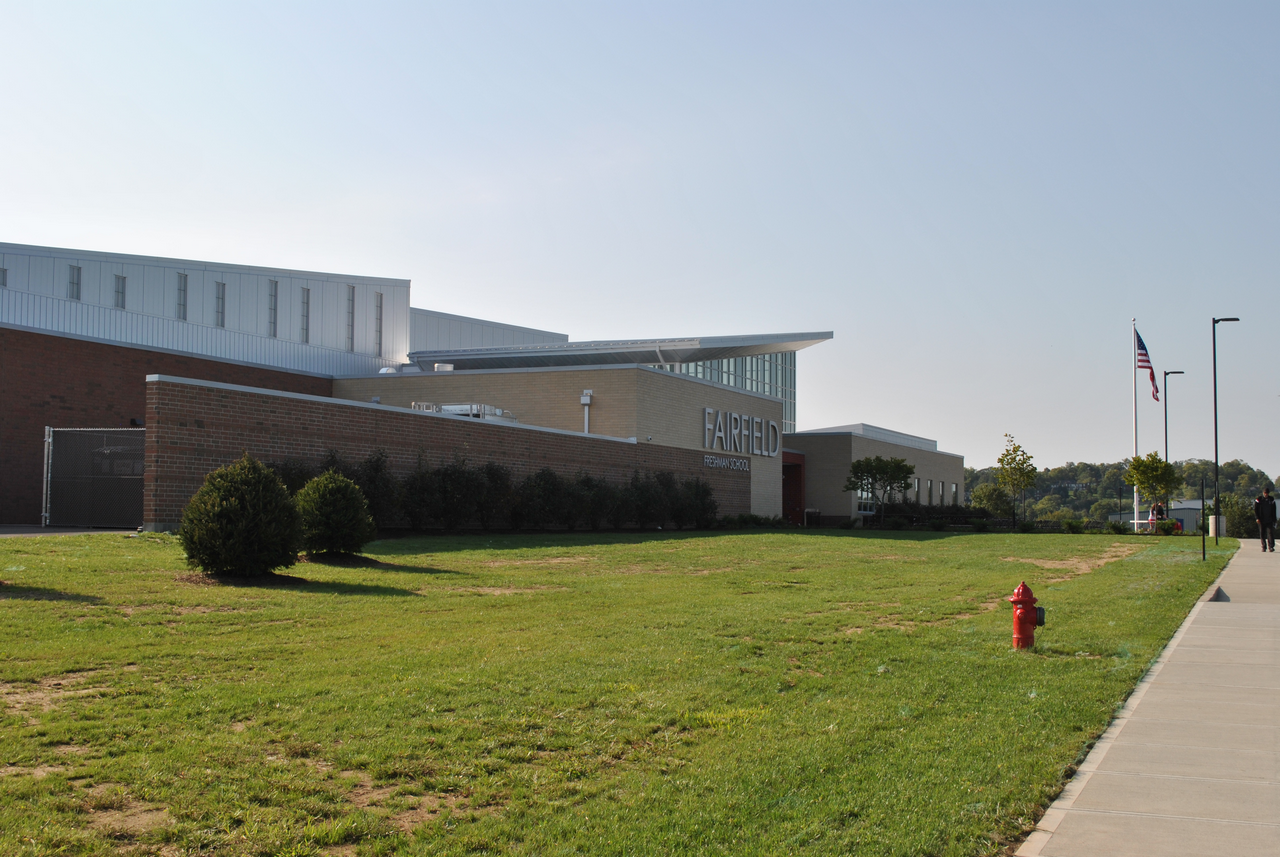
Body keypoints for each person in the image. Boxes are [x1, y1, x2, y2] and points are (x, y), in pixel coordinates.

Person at [1254, 487, 1277, 552]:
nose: (1265, 494)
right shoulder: (1259, 500)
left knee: (1270, 533)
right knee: (1262, 533)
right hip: (1261, 519)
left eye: (1267, 493)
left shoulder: (1271, 500)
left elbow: (1274, 510)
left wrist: (1274, 519)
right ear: (1263, 493)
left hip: (1269, 519)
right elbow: (1256, 510)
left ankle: (1271, 547)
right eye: (1264, 493)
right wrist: (1257, 518)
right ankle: (1264, 547)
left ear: (1268, 493)